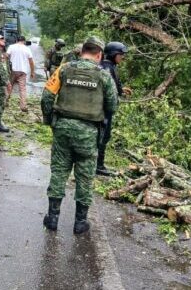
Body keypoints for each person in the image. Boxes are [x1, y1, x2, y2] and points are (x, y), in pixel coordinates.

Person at [41, 37, 118, 234]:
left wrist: (49, 120)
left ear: (82, 51)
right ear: (99, 55)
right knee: (85, 176)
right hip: (89, 132)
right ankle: (80, 222)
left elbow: (47, 95)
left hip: (63, 128)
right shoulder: (103, 75)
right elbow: (112, 105)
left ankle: (52, 218)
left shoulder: (64, 69)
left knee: (59, 171)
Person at [96, 41, 131, 176]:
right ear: (113, 54)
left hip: (106, 109)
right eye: (121, 54)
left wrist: (121, 90)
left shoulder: (110, 66)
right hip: (104, 109)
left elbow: (113, 85)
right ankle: (98, 166)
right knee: (103, 136)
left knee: (104, 136)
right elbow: (107, 90)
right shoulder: (106, 68)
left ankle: (98, 164)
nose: (122, 57)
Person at [5, 35, 35, 112]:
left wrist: (5, 67)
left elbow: (6, 56)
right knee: (22, 89)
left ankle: (5, 102)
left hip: (13, 71)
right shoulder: (27, 49)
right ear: (24, 41)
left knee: (9, 86)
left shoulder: (11, 47)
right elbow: (31, 62)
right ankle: (23, 106)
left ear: (16, 40)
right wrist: (32, 72)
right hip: (23, 71)